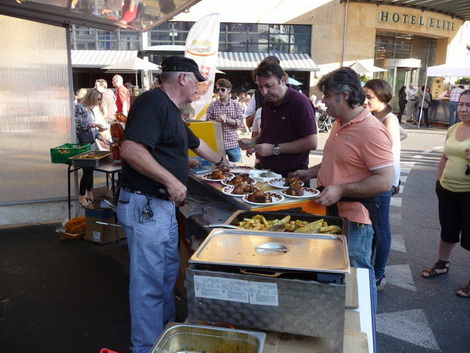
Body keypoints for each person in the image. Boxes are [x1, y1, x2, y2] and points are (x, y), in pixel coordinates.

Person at [116, 56, 229, 353]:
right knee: (150, 284)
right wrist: (172, 179)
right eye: (197, 83)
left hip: (160, 207)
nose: (199, 90)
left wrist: (224, 162)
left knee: (166, 277)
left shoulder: (171, 110)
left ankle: (163, 340)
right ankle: (145, 348)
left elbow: (195, 144)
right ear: (182, 79)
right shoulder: (153, 103)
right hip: (146, 205)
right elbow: (130, 149)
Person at [293, 68, 394, 309]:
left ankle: (363, 327)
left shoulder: (371, 130)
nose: (323, 100)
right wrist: (310, 172)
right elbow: (338, 162)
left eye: (327, 95)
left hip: (355, 221)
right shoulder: (340, 123)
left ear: (345, 96)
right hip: (332, 214)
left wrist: (339, 189)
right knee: (335, 273)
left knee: (358, 274)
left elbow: (384, 180)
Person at [421, 90, 470, 299]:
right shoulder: (452, 129)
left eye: (468, 105)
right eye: (461, 104)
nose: (463, 109)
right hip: (447, 190)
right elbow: (444, 157)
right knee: (448, 230)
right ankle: (442, 264)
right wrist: (438, 181)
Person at [240, 59, 317, 176]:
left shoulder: (300, 102)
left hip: (292, 174)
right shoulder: (267, 103)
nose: (264, 92)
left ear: (282, 81)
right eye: (260, 87)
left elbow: (311, 142)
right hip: (266, 171)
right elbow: (267, 134)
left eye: (268, 86)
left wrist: (274, 149)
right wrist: (253, 141)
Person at [364, 79, 405, 290]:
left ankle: (379, 275)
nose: (365, 100)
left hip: (383, 182)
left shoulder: (388, 120)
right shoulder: (379, 117)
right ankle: (370, 270)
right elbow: (402, 135)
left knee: (381, 229)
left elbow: (381, 150)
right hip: (374, 180)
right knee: (373, 227)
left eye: (369, 97)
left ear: (383, 97)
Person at [74, 89, 106, 208]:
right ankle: (82, 194)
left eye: (99, 99)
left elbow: (93, 130)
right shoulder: (79, 107)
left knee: (91, 169)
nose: (98, 102)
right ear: (90, 97)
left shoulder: (91, 110)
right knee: (87, 169)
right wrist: (95, 125)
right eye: (96, 99)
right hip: (83, 143)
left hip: (90, 142)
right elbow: (78, 124)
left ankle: (89, 192)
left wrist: (100, 136)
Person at [206, 78, 244, 162]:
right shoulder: (213, 105)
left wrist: (227, 120)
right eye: (218, 90)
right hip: (217, 144)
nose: (220, 92)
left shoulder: (236, 104)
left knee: (237, 170)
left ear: (229, 89)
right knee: (218, 171)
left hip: (233, 143)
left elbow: (240, 123)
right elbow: (207, 122)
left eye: (222, 89)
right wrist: (217, 120)